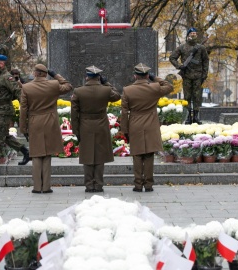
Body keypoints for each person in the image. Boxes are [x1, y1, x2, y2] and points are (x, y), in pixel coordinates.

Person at [19, 64, 73, 194]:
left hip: (34, 122)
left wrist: (23, 127)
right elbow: (68, 86)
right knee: (47, 154)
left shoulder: (26, 87)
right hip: (50, 121)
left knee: (36, 155)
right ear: (45, 73)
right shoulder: (53, 85)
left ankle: (37, 187)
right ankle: (46, 187)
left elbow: (23, 110)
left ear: (35, 73)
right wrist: (55, 75)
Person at [121, 63, 173, 192]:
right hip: (151, 124)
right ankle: (149, 184)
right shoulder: (155, 88)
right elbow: (169, 86)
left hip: (135, 123)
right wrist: (156, 79)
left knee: (137, 155)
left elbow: (124, 112)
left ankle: (138, 184)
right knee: (149, 154)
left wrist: (125, 130)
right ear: (147, 75)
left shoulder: (127, 90)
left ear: (135, 76)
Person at [71, 65, 121, 193]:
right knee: (99, 156)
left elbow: (74, 114)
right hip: (101, 125)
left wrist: (76, 131)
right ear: (99, 77)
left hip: (85, 125)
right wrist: (107, 83)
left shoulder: (78, 91)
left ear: (87, 77)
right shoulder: (106, 90)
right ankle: (98, 184)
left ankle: (89, 185)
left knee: (87, 155)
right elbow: (117, 96)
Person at [0, 54, 30, 177]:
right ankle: (25, 151)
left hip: (4, 111)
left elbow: (18, 92)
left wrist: (24, 109)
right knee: (5, 136)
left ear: (2, 64)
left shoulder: (7, 77)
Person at [169, 27, 209, 124]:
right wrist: (179, 66)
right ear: (188, 35)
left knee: (197, 97)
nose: (193, 35)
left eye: (195, 33)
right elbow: (172, 57)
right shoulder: (182, 47)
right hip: (186, 75)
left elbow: (206, 61)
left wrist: (204, 74)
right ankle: (187, 116)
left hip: (198, 76)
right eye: (191, 33)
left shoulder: (201, 48)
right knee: (187, 96)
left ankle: (195, 117)